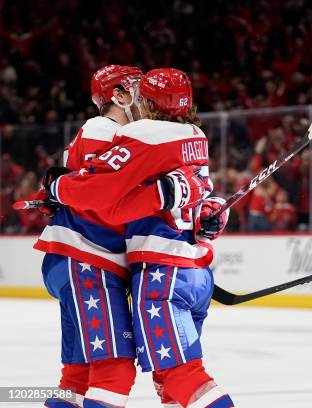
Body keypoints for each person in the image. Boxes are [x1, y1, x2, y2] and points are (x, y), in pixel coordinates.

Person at [46, 68, 234, 408]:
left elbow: (106, 198)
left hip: (144, 269)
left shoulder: (141, 135)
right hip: (99, 263)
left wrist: (56, 186)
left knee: (87, 376)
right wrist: (209, 208)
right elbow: (105, 194)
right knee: (132, 375)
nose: (138, 94)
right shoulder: (187, 135)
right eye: (134, 85)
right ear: (118, 96)